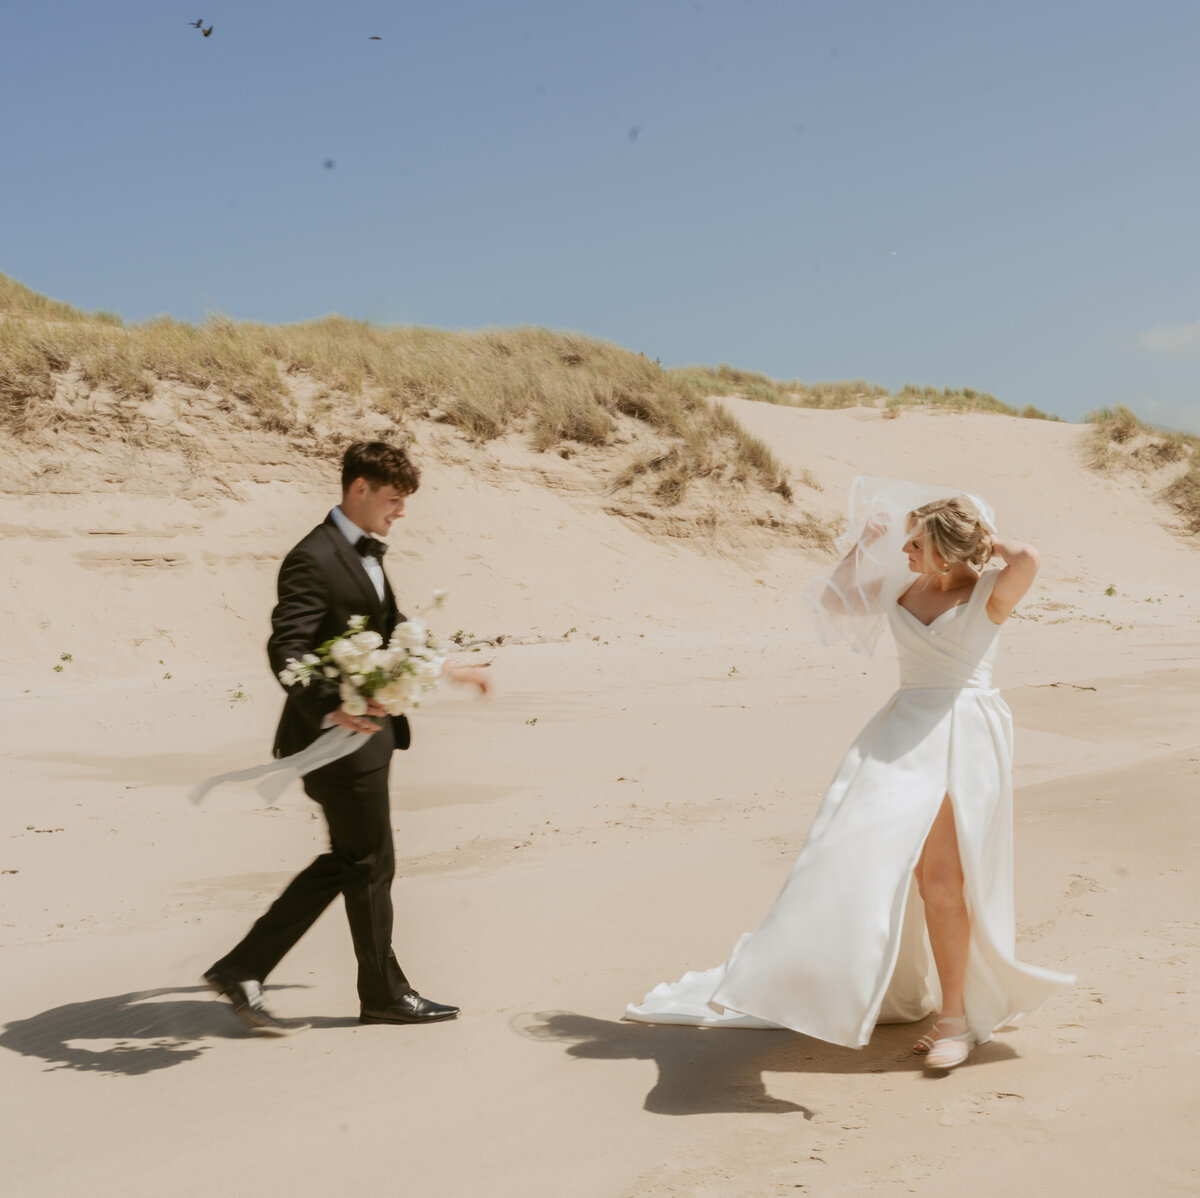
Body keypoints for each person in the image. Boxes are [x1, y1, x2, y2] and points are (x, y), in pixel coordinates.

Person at [626, 477, 1074, 1069]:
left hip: (962, 736)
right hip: (898, 733)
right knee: (843, 854)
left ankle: (956, 1021)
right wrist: (864, 543)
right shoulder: (904, 588)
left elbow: (1028, 556)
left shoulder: (992, 592)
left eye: (916, 543)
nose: (905, 552)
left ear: (944, 545)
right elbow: (835, 598)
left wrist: (973, 533)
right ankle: (831, 981)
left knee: (940, 882)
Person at [204, 440, 489, 1034]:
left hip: (369, 736)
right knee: (370, 862)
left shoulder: (364, 553)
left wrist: (446, 668)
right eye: (393, 499)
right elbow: (286, 648)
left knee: (354, 861)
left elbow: (389, 629)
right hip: (333, 739)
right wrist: (332, 706)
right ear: (359, 489)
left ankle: (243, 967)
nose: (401, 512)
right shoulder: (313, 557)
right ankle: (382, 993)